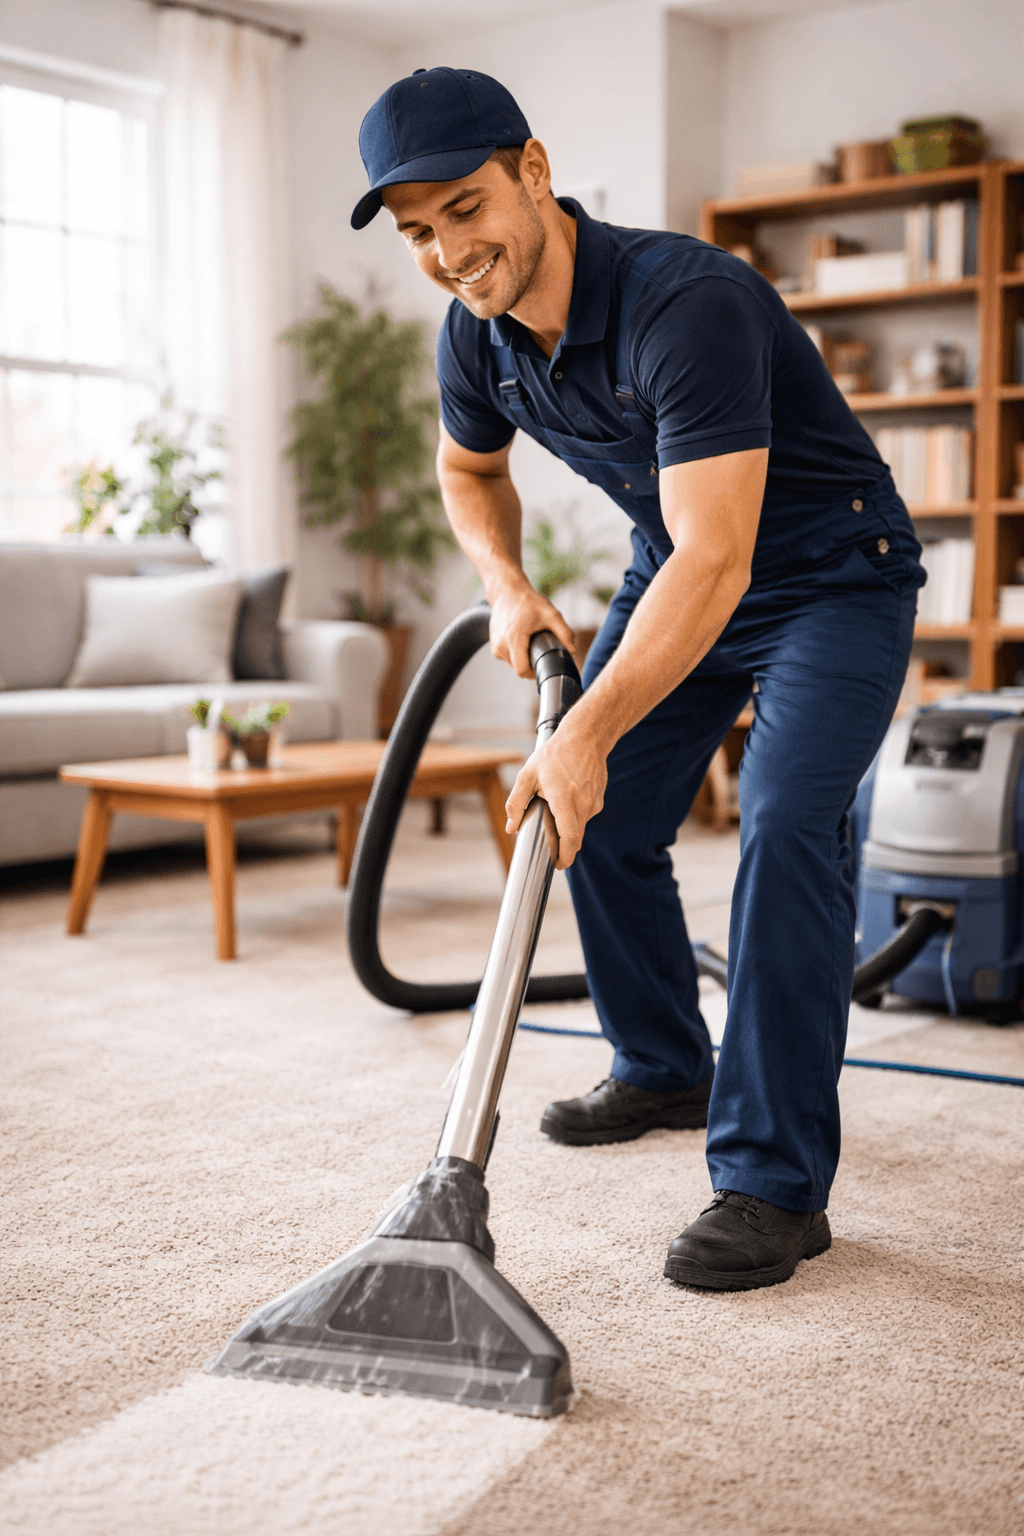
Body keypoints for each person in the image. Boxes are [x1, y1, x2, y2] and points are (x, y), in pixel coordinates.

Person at [351, 67, 924, 1291]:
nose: (450, 252)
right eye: (417, 232)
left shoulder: (688, 303)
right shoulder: (478, 337)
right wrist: (508, 587)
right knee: (591, 824)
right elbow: (470, 476)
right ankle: (665, 1064)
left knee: (781, 822)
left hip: (829, 577)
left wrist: (587, 727)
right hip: (680, 576)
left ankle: (772, 1185)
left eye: (464, 207)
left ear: (535, 173)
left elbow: (722, 558)